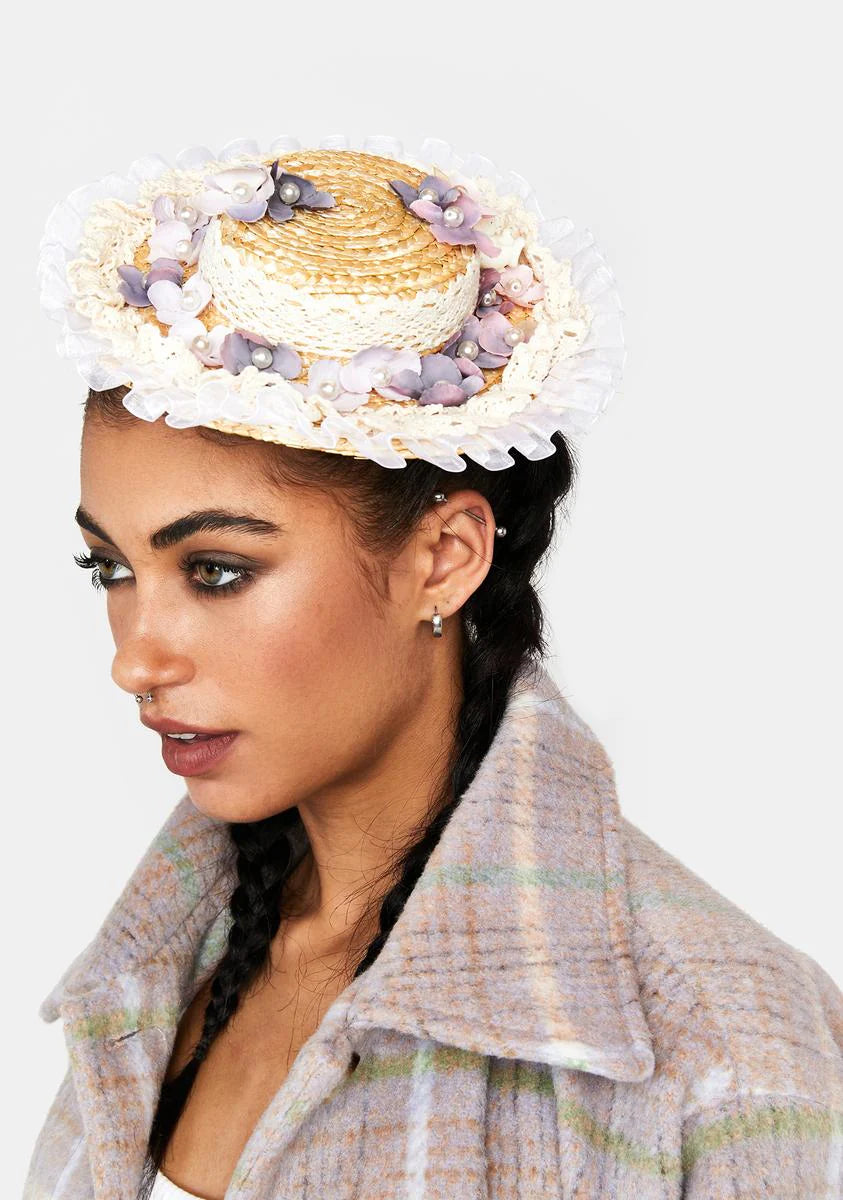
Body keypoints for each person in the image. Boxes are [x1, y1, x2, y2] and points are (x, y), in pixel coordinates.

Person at [25, 135, 843, 1200]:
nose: (136, 659)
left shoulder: (728, 1052)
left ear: (445, 559)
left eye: (217, 571)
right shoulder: (159, 968)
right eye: (111, 569)